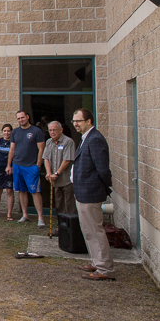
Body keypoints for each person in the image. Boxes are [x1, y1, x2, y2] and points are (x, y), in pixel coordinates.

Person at [70, 109, 115, 281]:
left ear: (89, 121)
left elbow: (102, 169)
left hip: (91, 192)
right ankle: (97, 262)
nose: (75, 124)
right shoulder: (86, 138)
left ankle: (104, 268)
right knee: (88, 231)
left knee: (95, 231)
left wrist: (103, 186)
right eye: (74, 121)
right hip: (83, 192)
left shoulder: (95, 139)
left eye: (79, 121)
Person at [6, 110, 46, 227]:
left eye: (22, 117)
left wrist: (38, 165)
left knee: (35, 191)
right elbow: (12, 150)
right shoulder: (15, 132)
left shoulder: (36, 131)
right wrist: (9, 165)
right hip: (17, 165)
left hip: (31, 166)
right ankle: (25, 215)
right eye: (18, 118)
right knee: (21, 191)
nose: (20, 120)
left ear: (27, 117)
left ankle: (40, 218)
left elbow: (41, 150)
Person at [44, 121, 77, 221]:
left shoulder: (68, 142)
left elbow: (67, 160)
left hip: (67, 180)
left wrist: (57, 173)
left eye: (54, 130)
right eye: (50, 130)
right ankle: (61, 228)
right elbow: (46, 158)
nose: (52, 132)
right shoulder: (49, 142)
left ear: (61, 130)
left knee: (69, 206)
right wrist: (49, 173)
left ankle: (71, 229)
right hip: (56, 181)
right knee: (59, 206)